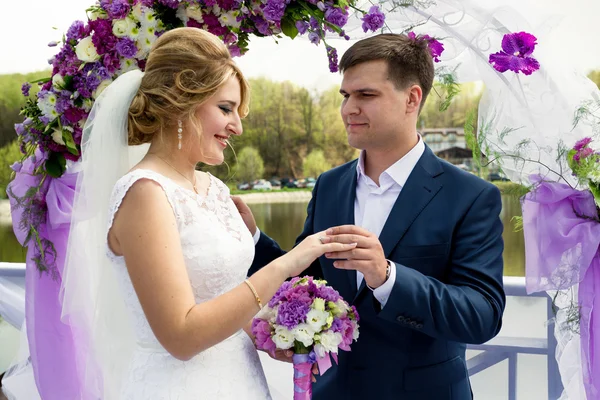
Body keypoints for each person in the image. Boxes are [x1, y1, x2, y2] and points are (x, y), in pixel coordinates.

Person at [60, 27, 357, 399]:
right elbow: (182, 337)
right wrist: (285, 265)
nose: (238, 126)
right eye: (225, 108)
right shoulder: (145, 193)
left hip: (241, 379)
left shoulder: (214, 188)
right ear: (183, 101)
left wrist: (273, 336)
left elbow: (225, 294)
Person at [237, 33, 506, 400]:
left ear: (412, 98)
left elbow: (482, 316)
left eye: (366, 95)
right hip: (334, 391)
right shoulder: (330, 185)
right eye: (345, 96)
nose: (349, 108)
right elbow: (304, 280)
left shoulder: (472, 196)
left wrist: (387, 277)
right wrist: (251, 237)